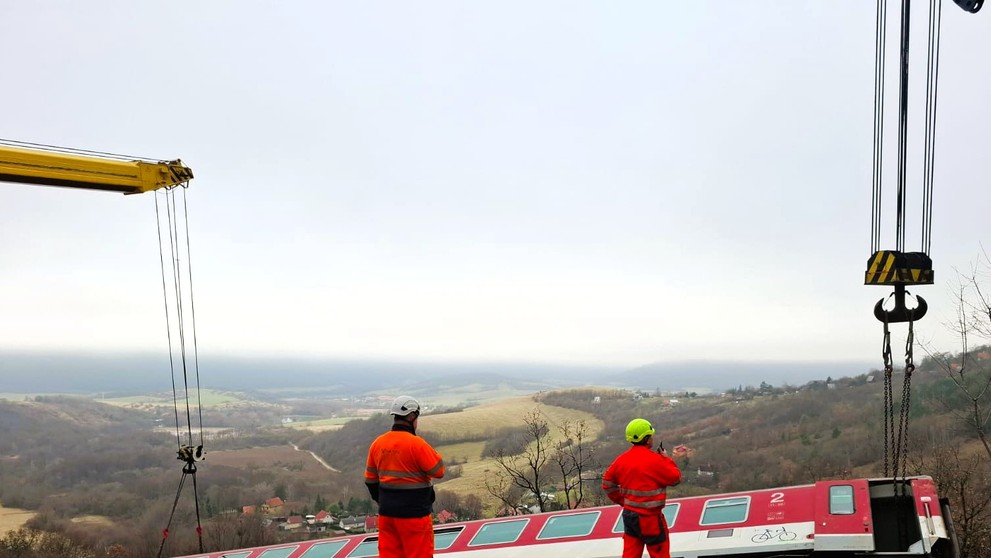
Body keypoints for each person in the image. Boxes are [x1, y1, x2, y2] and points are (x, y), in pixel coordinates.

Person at [365, 395, 445, 558]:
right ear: (411, 416)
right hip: (414, 515)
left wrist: (383, 501)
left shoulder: (378, 443)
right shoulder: (416, 444)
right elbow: (439, 471)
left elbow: (370, 480)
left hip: (387, 514)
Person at [602, 418, 683, 558]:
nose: (652, 438)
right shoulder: (655, 460)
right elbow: (675, 479)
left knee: (630, 554)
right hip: (650, 519)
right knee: (660, 554)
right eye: (650, 436)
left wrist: (623, 501)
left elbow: (607, 484)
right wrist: (666, 458)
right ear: (646, 439)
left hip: (629, 516)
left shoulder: (621, 460)